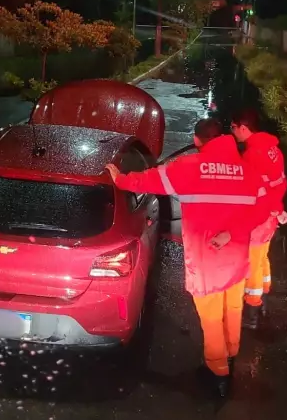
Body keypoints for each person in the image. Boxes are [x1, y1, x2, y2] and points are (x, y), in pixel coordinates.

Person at [105, 119, 271, 397]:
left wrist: (120, 179)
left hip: (207, 263)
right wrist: (232, 233)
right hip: (237, 258)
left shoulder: (188, 168)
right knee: (232, 310)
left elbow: (149, 180)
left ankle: (218, 373)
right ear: (225, 138)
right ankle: (231, 355)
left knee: (211, 319)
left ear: (197, 141)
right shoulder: (248, 171)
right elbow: (266, 208)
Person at [230, 108, 287, 330]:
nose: (233, 131)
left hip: (261, 215)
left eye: (233, 127)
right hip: (273, 212)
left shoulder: (252, 155)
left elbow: (250, 191)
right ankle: (264, 296)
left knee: (253, 263)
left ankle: (252, 311)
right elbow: (280, 183)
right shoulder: (273, 149)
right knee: (263, 256)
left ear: (243, 128)